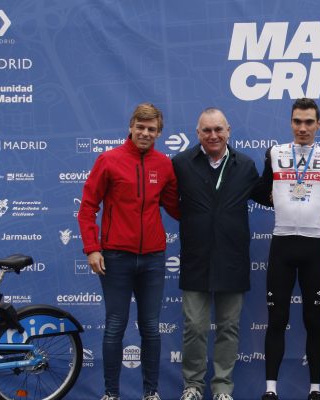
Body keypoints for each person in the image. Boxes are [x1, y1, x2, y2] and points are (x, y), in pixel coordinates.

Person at [78, 103, 180, 400]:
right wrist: (92, 249)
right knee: (115, 326)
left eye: (151, 129)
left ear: (159, 133)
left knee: (150, 327)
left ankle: (151, 393)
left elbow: (177, 208)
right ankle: (111, 393)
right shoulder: (108, 160)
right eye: (140, 127)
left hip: (153, 258)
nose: (145, 133)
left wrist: (211, 209)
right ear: (131, 127)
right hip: (115, 258)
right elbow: (87, 208)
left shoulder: (164, 165)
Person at [254, 98, 320, 400]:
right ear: (291, 123)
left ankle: (315, 389)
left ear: (318, 124)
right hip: (282, 244)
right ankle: (270, 390)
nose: (302, 128)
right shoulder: (275, 153)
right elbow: (260, 189)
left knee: (313, 320)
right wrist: (278, 201)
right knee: (277, 319)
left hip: (315, 245)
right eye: (297, 121)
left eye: (308, 122)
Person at [172, 108, 260, 400]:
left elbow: (270, 196)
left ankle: (222, 387)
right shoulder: (181, 164)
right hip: (195, 258)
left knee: (228, 328)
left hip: (232, 258)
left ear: (228, 131)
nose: (213, 135)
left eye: (218, 129)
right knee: (194, 327)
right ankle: (193, 386)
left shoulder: (245, 165)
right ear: (197, 133)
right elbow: (165, 199)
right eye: (207, 130)